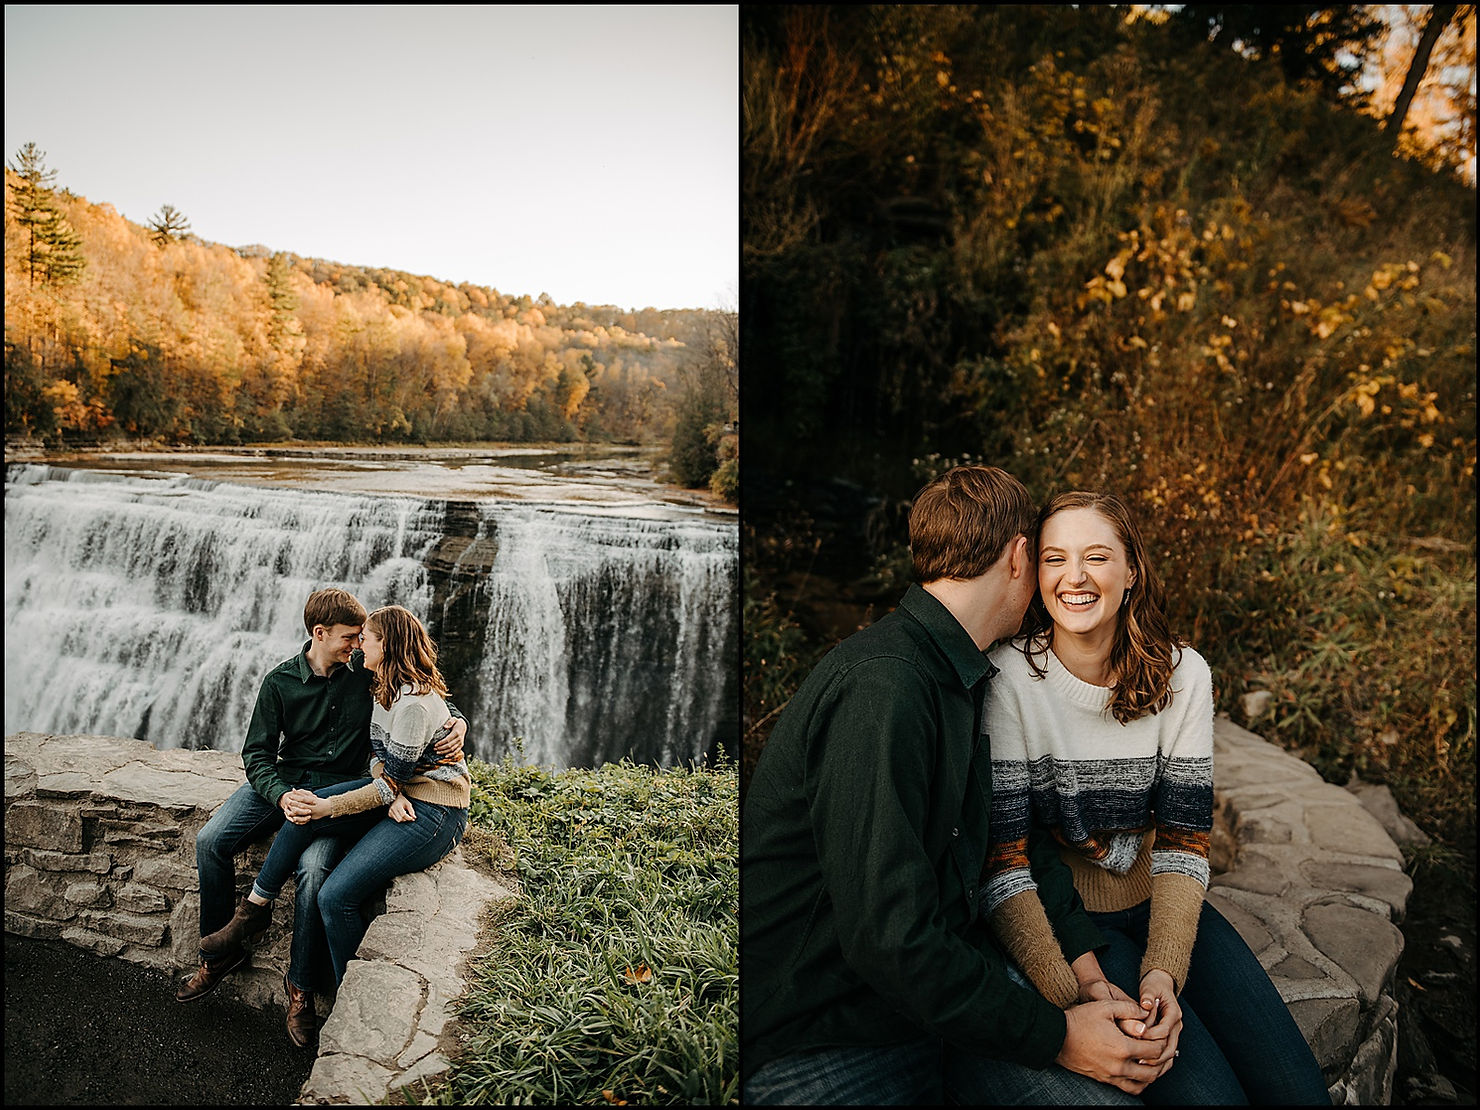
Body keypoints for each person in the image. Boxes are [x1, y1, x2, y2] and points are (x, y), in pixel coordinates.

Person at [742, 465, 1172, 1106]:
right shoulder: (885, 688)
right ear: (1021, 556)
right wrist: (1058, 1035)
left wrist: (1083, 979)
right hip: (823, 1034)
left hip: (930, 1006)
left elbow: (1011, 839)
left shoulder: (957, 673)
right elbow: (889, 938)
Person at [982, 490, 1330, 1105]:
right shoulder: (1010, 679)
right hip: (1072, 924)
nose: (1075, 577)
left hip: (1156, 898)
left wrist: (1165, 969)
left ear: (1131, 570)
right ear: (1034, 573)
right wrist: (1071, 993)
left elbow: (1184, 843)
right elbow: (1005, 862)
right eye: (1055, 559)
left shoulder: (1184, 674)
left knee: (1297, 1089)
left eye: (1096, 556)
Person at [176, 588, 467, 1051]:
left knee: (314, 872)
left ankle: (301, 991)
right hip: (286, 782)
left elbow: (421, 692)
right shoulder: (280, 682)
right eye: (349, 637)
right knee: (211, 840)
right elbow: (256, 754)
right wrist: (281, 794)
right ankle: (220, 956)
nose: (356, 645)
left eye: (361, 638)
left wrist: (459, 722)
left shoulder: (365, 670)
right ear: (319, 633)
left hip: (345, 787)